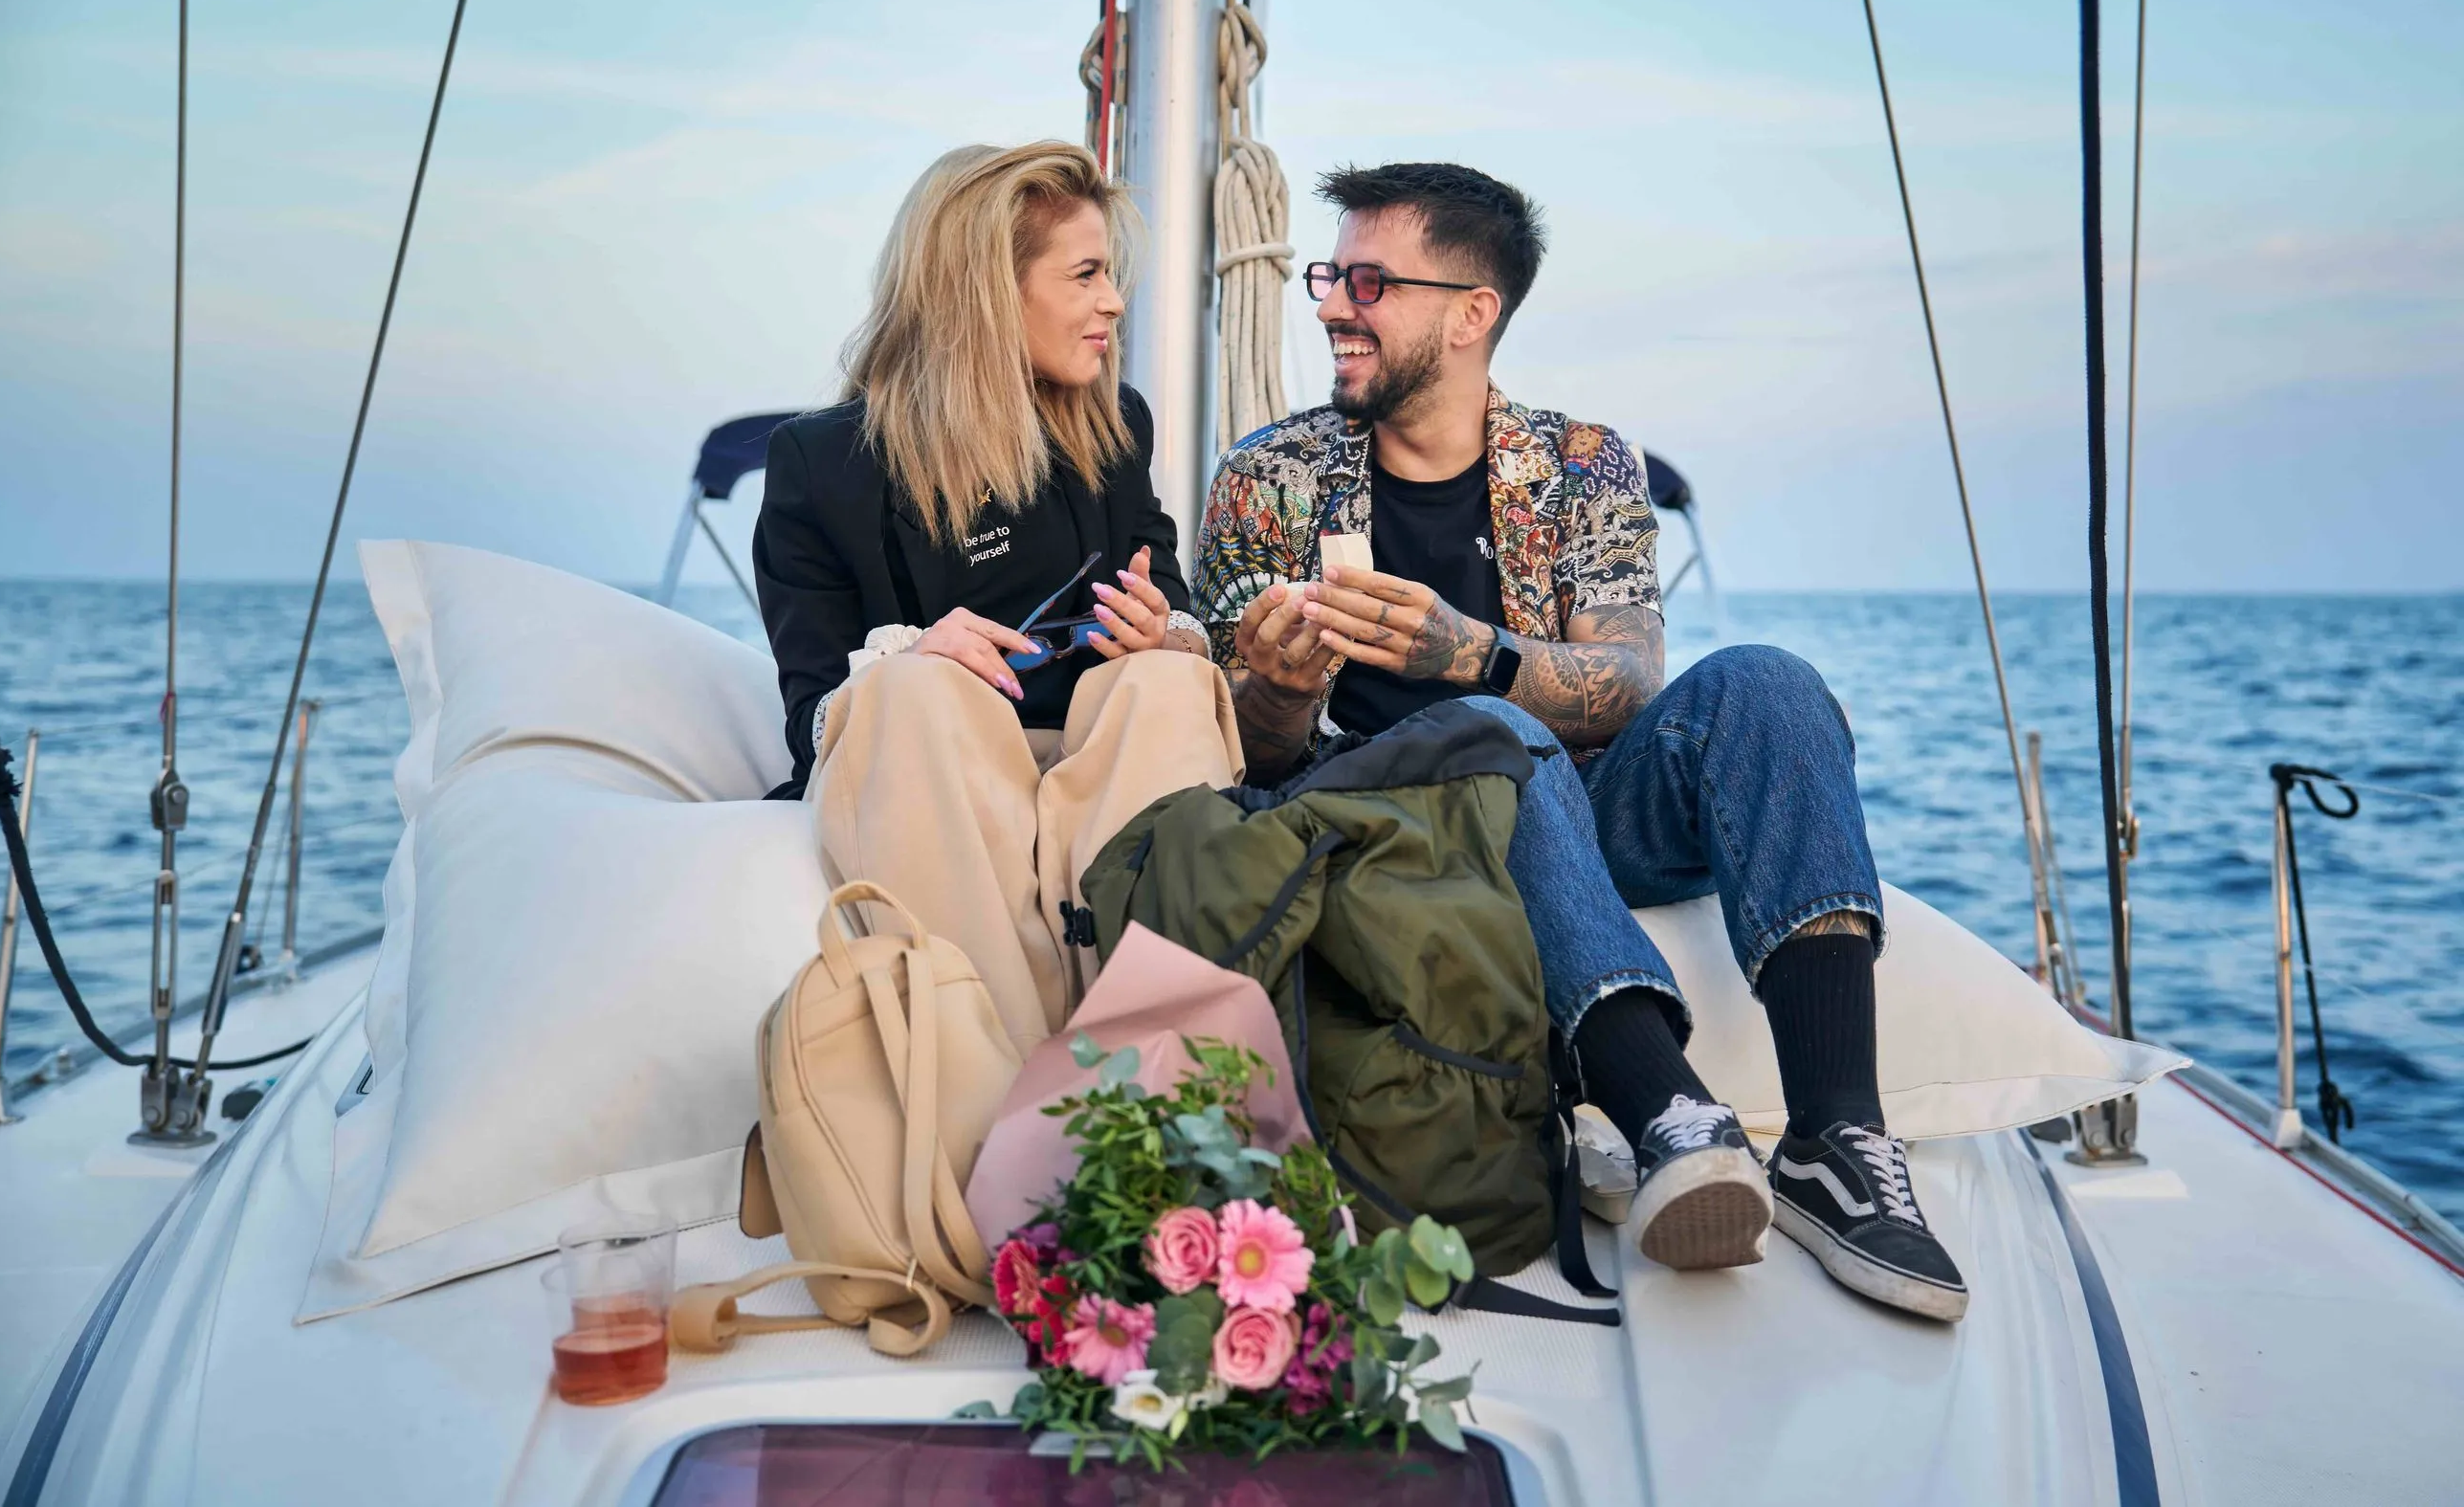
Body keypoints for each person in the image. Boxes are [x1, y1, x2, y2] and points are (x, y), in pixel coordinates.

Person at [1192, 162, 1967, 1322]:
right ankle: (1667, 1110)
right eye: (1328, 275)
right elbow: (1240, 753)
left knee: (1768, 682)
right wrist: (1280, 690)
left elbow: (1629, 678)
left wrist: (1465, 648)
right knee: (1490, 731)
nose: (1332, 305)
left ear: (1471, 312)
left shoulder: (1581, 462)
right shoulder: (1268, 476)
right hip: (1380, 833)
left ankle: (1835, 1141)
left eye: (1368, 282)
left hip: (1574, 808)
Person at [755, 141, 1242, 1055]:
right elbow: (813, 715)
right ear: (986, 290)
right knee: (915, 688)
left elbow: (1171, 595)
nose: (1114, 302)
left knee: (1166, 680)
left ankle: (1153, 1069)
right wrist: (909, 655)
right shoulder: (822, 465)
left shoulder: (1114, 424)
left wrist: (1165, 630)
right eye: (1087, 274)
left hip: (1098, 763)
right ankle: (1008, 1078)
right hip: (939, 767)